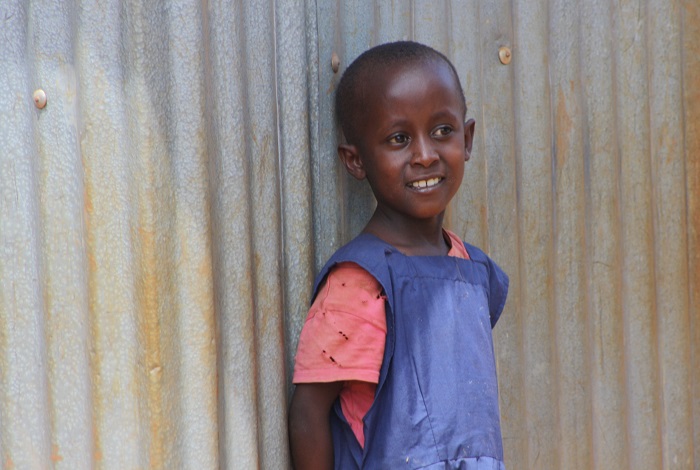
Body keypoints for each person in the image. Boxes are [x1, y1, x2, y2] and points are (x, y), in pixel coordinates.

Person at [288, 41, 509, 469]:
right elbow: (308, 413)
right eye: (399, 139)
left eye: (442, 131)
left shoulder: (470, 266)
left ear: (467, 139)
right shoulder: (360, 285)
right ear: (356, 161)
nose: (425, 155)